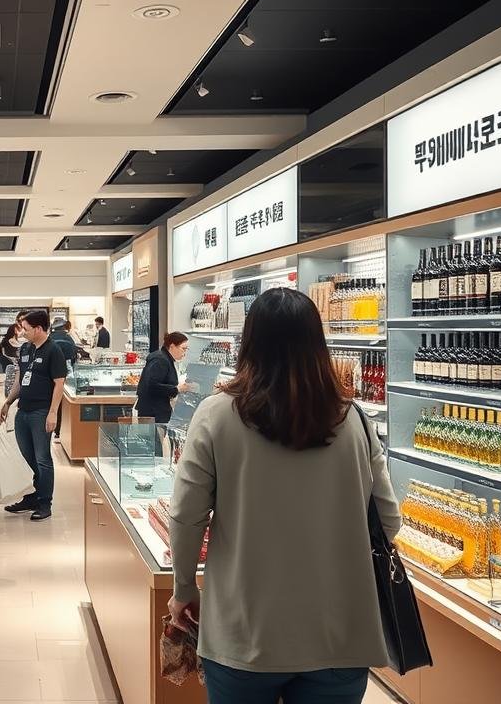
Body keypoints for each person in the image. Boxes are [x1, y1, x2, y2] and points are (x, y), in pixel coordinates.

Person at [167, 288, 400, 704]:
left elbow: (186, 516)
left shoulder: (217, 414)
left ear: (249, 342)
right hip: (339, 630)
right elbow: (388, 520)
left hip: (243, 631)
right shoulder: (355, 420)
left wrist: (184, 587)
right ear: (318, 343)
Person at [0, 310, 66, 522]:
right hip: (23, 411)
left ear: (38, 328)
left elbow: (59, 384)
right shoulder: (26, 348)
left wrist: (52, 413)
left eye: (25, 329)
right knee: (27, 459)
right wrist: (9, 402)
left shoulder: (54, 350)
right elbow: (20, 377)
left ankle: (45, 502)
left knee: (43, 458)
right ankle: (31, 496)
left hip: (41, 412)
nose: (22, 333)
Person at [135, 331, 193, 423]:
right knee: (153, 437)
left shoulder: (164, 358)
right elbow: (152, 386)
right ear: (172, 346)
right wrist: (177, 389)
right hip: (153, 413)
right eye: (183, 349)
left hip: (155, 411)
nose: (184, 353)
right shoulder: (161, 360)